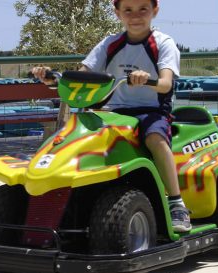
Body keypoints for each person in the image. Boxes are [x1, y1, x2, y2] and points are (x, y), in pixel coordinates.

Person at [32, 0, 191, 232]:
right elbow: (83, 75)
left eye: (142, 9)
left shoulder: (163, 43)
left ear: (154, 11)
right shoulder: (110, 44)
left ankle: (176, 203)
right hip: (114, 112)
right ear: (117, 13)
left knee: (155, 139)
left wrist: (146, 79)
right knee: (79, 135)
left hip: (152, 110)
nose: (135, 16)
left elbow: (166, 84)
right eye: (128, 10)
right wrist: (51, 78)